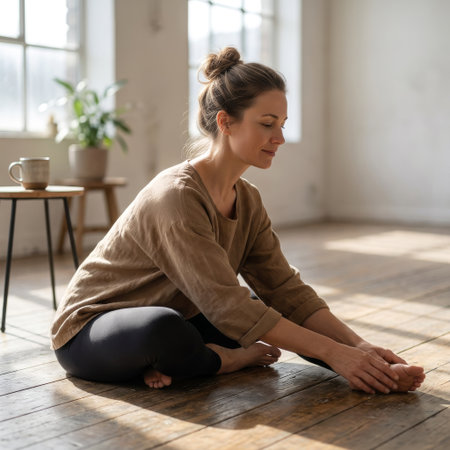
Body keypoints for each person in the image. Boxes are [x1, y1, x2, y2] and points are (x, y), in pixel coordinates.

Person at [52, 47, 425, 393]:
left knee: (257, 310)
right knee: (167, 329)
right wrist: (336, 352)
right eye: (266, 123)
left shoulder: (247, 199)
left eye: (282, 123)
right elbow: (224, 305)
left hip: (184, 311)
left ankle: (177, 364)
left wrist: (360, 348)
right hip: (91, 329)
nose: (279, 137)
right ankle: (221, 361)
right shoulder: (176, 195)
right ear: (225, 122)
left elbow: (284, 290)